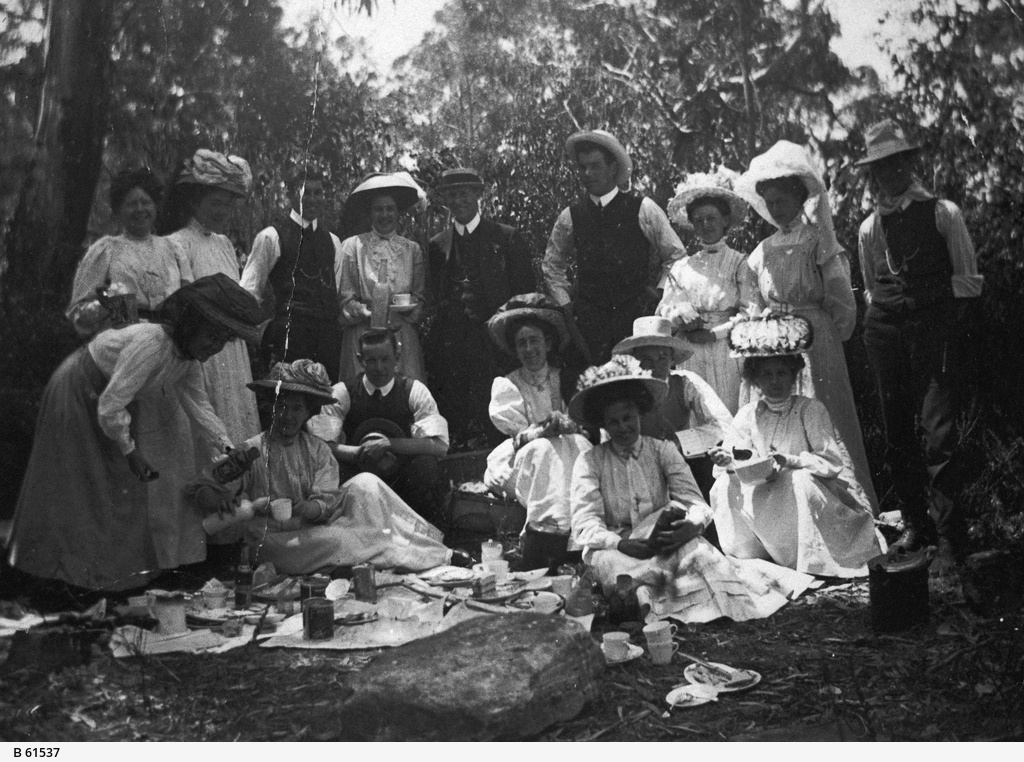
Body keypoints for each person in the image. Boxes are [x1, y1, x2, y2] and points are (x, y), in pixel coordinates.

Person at [7, 275, 267, 592]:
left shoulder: (185, 359)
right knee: (78, 484)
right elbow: (110, 405)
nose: (214, 349)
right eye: (212, 338)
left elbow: (200, 407)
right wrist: (131, 452)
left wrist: (226, 449)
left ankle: (101, 577)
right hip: (80, 390)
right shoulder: (152, 344)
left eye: (222, 343)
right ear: (192, 326)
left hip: (106, 402)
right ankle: (56, 576)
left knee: (116, 491)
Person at [568, 356, 806, 623]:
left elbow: (693, 499)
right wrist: (621, 543)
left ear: (640, 413)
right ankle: (650, 605)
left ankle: (709, 604)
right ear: (603, 425)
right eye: (614, 422)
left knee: (699, 551)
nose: (623, 428)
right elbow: (583, 522)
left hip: (660, 536)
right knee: (614, 568)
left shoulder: (662, 449)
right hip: (616, 546)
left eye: (628, 418)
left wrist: (694, 525)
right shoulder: (591, 461)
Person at [192, 360, 465, 574]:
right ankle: (408, 555)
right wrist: (221, 499)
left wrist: (300, 507)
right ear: (270, 408)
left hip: (311, 528)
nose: (288, 416)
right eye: (281, 407)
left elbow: (324, 506)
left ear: (309, 412)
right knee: (338, 540)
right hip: (271, 540)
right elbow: (206, 490)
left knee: (366, 483)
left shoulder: (318, 450)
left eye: (297, 408)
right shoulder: (251, 450)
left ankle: (431, 550)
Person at [855, 119, 983, 569]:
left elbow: (966, 283)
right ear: (872, 175)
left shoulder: (942, 213)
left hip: (932, 333)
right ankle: (915, 526)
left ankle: (950, 538)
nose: (889, 174)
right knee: (896, 433)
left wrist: (938, 328)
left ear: (910, 162)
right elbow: (872, 288)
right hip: (884, 332)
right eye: (879, 168)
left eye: (896, 163)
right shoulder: (871, 227)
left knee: (938, 433)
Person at [735, 141, 878, 512]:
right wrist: (760, 320)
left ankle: (844, 507)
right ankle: (781, 508)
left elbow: (839, 295)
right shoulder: (762, 250)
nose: (775, 208)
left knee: (821, 411)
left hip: (814, 334)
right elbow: (753, 297)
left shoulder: (818, 241)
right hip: (774, 338)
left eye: (781, 200)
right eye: (769, 202)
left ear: (799, 198)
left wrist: (832, 334)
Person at [709, 313, 884, 578]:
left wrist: (792, 461)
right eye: (766, 374)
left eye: (781, 373)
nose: (775, 381)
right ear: (755, 379)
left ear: (794, 375)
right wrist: (727, 461)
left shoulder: (809, 409)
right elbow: (738, 455)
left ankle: (810, 558)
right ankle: (750, 552)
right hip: (763, 491)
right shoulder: (747, 413)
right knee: (723, 484)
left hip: (806, 491)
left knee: (799, 480)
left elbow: (831, 461)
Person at [542, 129, 687, 365]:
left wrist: (659, 296)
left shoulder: (643, 208)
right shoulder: (571, 216)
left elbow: (677, 257)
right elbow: (552, 266)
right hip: (589, 325)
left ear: (613, 167)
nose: (587, 173)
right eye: (582, 167)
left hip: (637, 320)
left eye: (595, 166)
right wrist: (566, 305)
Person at [425, 167, 536, 447]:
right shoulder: (437, 246)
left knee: (498, 409)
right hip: (453, 343)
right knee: (456, 409)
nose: (458, 200)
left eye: (464, 193)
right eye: (452, 195)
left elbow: (525, 294)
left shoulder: (506, 238)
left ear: (477, 195)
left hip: (495, 342)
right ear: (445, 200)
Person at [483, 294, 593, 571]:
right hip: (523, 456)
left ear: (548, 343)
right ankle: (543, 542)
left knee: (580, 444)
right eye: (522, 343)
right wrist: (543, 431)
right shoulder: (507, 384)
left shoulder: (566, 378)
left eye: (535, 341)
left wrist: (571, 426)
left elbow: (587, 424)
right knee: (543, 449)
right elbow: (518, 436)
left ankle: (579, 543)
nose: (529, 349)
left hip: (567, 450)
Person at [160, 149, 261, 446]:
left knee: (236, 421)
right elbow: (179, 306)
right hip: (202, 351)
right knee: (207, 424)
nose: (223, 212)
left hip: (231, 350)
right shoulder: (176, 244)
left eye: (228, 205)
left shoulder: (225, 245)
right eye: (216, 203)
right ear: (194, 201)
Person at [316, 329, 449, 526]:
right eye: (372, 360)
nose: (379, 368)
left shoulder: (414, 390)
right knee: (329, 466)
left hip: (401, 477)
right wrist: (360, 452)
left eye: (385, 359)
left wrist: (389, 444)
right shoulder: (342, 391)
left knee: (426, 466)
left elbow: (439, 446)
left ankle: (422, 527)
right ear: (361, 360)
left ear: (397, 357)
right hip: (359, 478)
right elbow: (320, 445)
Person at [656, 167, 760, 413]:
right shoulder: (682, 267)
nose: (705, 225)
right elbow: (663, 314)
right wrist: (679, 313)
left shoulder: (740, 263)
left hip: (727, 351)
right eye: (698, 220)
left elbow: (751, 313)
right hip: (690, 353)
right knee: (697, 415)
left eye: (711, 218)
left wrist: (715, 334)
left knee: (729, 412)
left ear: (725, 220)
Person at [612, 317, 736, 503]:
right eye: (647, 359)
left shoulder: (685, 381)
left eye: (662, 358)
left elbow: (723, 424)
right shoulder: (622, 389)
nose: (655, 366)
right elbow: (609, 441)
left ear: (672, 359)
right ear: (635, 360)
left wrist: (680, 440)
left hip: (681, 462)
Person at [240, 168, 344, 381]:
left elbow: (338, 293)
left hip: (327, 340)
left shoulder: (333, 242)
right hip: (290, 338)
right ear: (290, 195)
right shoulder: (271, 236)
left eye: (318, 193)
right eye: (306, 192)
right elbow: (249, 292)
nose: (313, 199)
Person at [67, 168, 193, 337]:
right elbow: (79, 313)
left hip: (169, 343)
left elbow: (190, 301)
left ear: (155, 206)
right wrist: (108, 303)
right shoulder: (106, 250)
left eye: (146, 202)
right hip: (122, 341)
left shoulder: (174, 249)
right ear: (118, 210)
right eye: (132, 204)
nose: (140, 209)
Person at [337, 172, 428, 383]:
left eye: (390, 209)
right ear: (370, 213)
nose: (384, 215)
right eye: (378, 209)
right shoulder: (352, 246)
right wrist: (370, 313)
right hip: (363, 332)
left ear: (398, 213)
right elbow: (345, 297)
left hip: (399, 331)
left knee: (403, 395)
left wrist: (395, 310)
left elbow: (419, 297)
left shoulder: (411, 249)